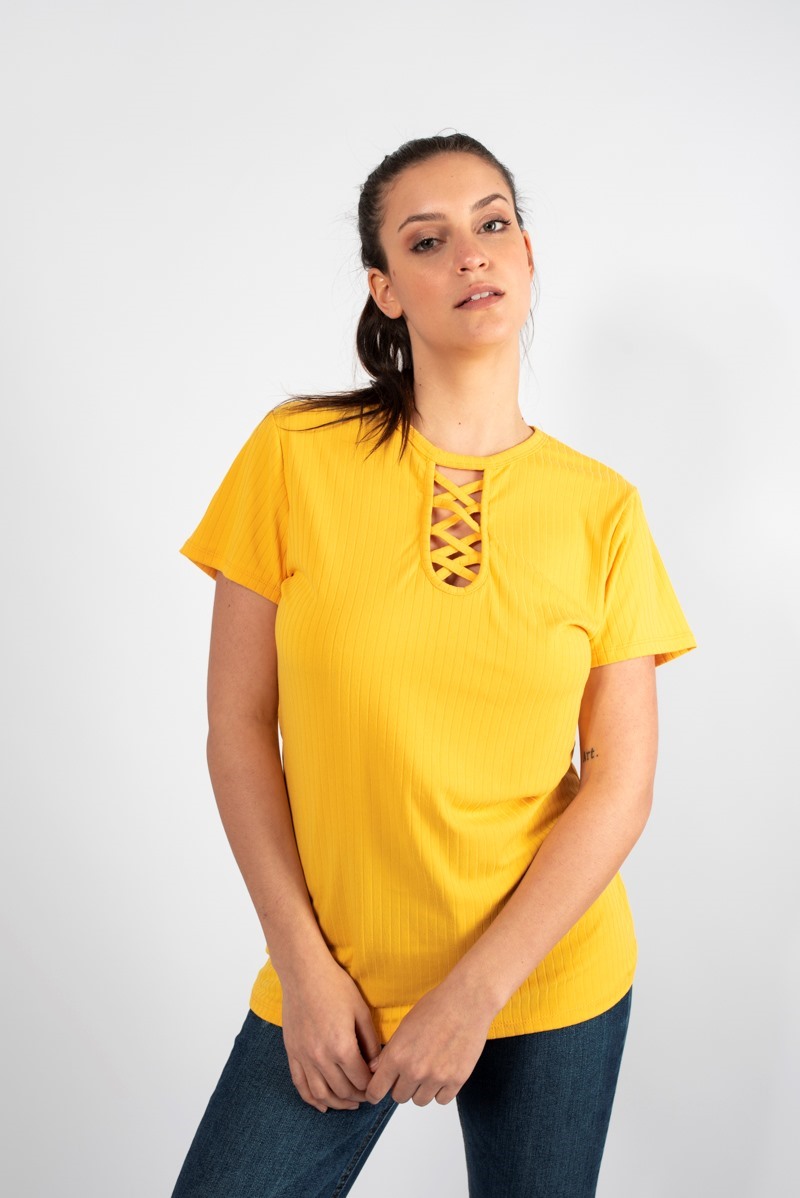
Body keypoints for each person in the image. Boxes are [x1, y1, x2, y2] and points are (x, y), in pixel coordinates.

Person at [171, 132, 697, 1198]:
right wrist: (303, 969)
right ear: (385, 288)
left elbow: (620, 779)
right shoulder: (294, 456)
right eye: (427, 239)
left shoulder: (602, 509)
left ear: (527, 255)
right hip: (339, 980)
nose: (470, 253)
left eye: (493, 223)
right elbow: (238, 727)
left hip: (548, 977)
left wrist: (473, 995)